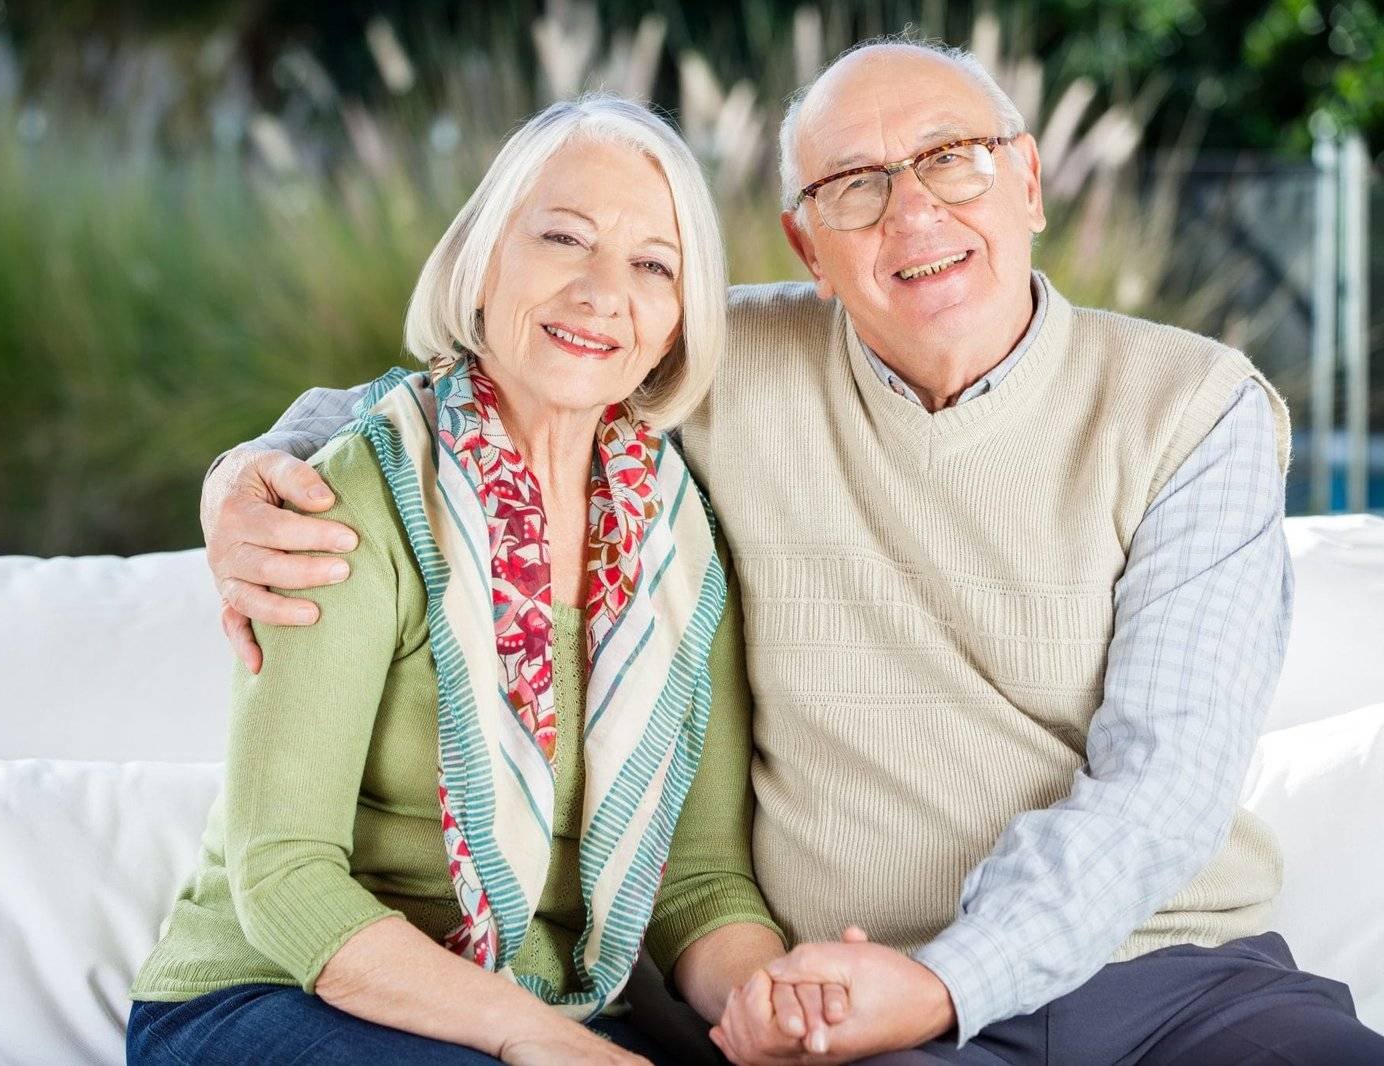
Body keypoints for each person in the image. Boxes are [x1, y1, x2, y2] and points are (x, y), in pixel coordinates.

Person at [197, 40, 1384, 1066]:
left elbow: (1163, 785)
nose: (913, 212)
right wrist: (250, 473)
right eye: (854, 186)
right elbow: (473, 390)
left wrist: (950, 978)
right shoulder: (717, 368)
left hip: (1171, 981)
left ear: (1026, 178)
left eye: (952, 157)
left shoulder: (1194, 408)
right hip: (862, 1010)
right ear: (806, 244)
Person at [127, 95, 828, 1065]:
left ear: (677, 319)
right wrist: (541, 1044)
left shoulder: (681, 543)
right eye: (563, 238)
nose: (601, 291)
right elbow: (282, 873)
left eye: (653, 265)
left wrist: (779, 1005)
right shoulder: (356, 493)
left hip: (548, 1009)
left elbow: (699, 882)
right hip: (273, 993)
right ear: (485, 258)